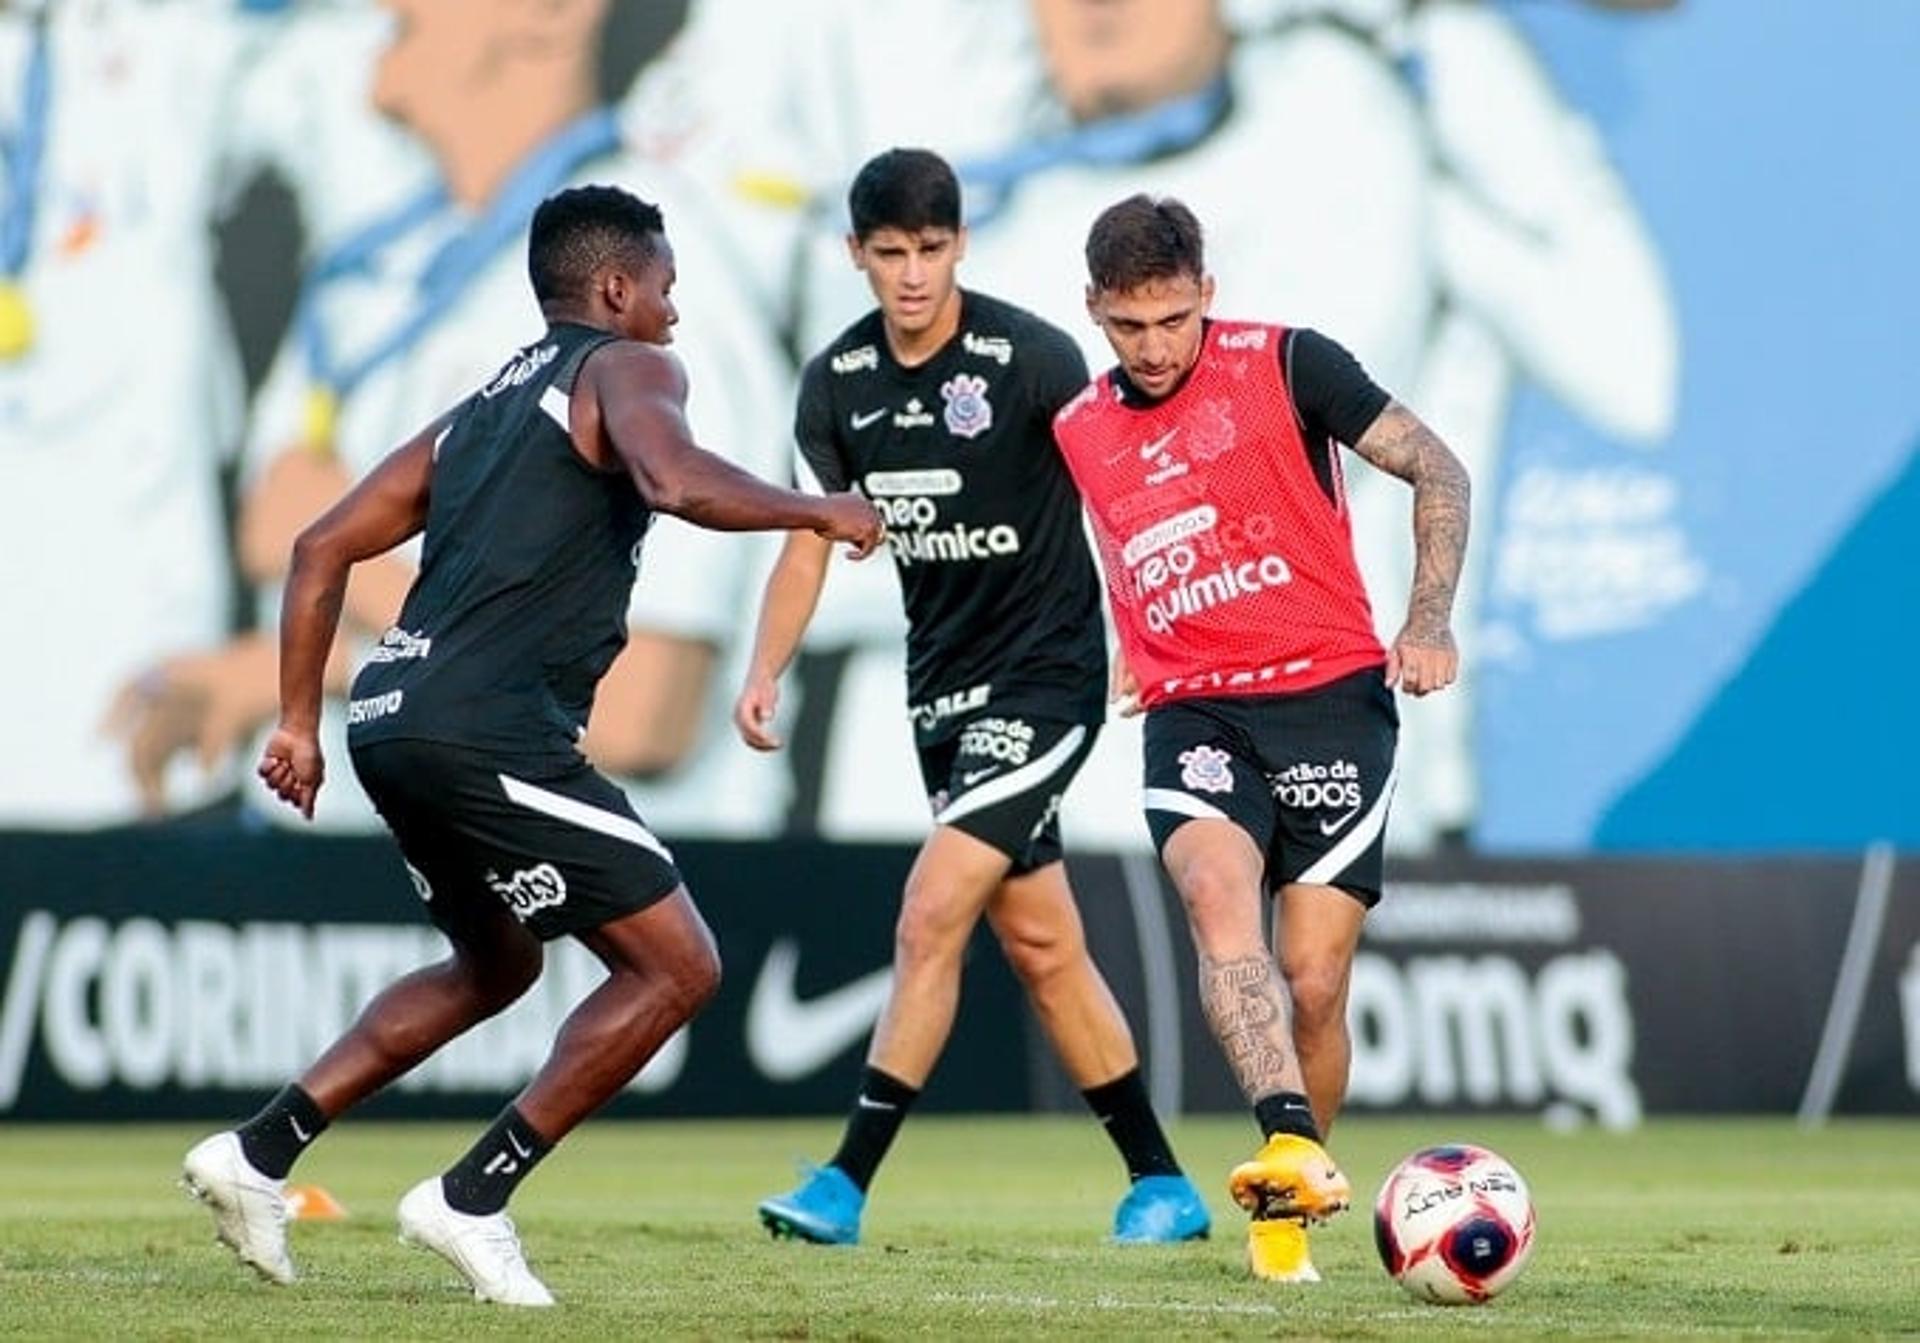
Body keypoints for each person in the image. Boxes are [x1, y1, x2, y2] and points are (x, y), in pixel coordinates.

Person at [180, 185, 882, 1306]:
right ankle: (472, 1194)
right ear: (615, 289)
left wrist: (298, 720)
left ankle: (258, 1151)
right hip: (489, 725)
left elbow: (319, 546)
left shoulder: (482, 409)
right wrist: (819, 508)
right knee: (681, 961)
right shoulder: (628, 368)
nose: (674, 314)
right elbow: (674, 479)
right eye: (663, 289)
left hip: (390, 718)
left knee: (497, 962)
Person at [115, 0, 797, 840]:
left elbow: (640, 706)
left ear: (552, 15)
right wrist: (280, 675)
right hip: (330, 910)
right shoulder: (377, 273)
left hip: (561, 937)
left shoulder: (642, 290)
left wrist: (342, 556)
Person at [734, 149, 1207, 1247]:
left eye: (931, 250)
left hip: (1047, 678)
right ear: (855, 253)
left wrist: (1142, 632)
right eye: (889, 253)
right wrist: (765, 668)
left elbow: (1115, 496)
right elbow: (814, 541)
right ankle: (1160, 1182)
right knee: (1042, 945)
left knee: (929, 908)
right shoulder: (837, 384)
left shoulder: (1030, 357)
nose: (911, 274)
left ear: (961, 245)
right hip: (939, 691)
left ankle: (847, 1180)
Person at [1051, 194, 1471, 1282]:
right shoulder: (1081, 428)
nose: (1151, 348)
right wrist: (1129, 643)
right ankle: (1284, 1139)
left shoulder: (1291, 365)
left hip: (1335, 696)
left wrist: (1427, 619)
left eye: (1172, 320)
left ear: (1207, 295)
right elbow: (1129, 546)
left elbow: (1440, 468)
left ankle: (1296, 1180)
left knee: (1315, 979)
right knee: (1212, 898)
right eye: (1127, 326)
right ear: (1094, 308)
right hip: (1197, 713)